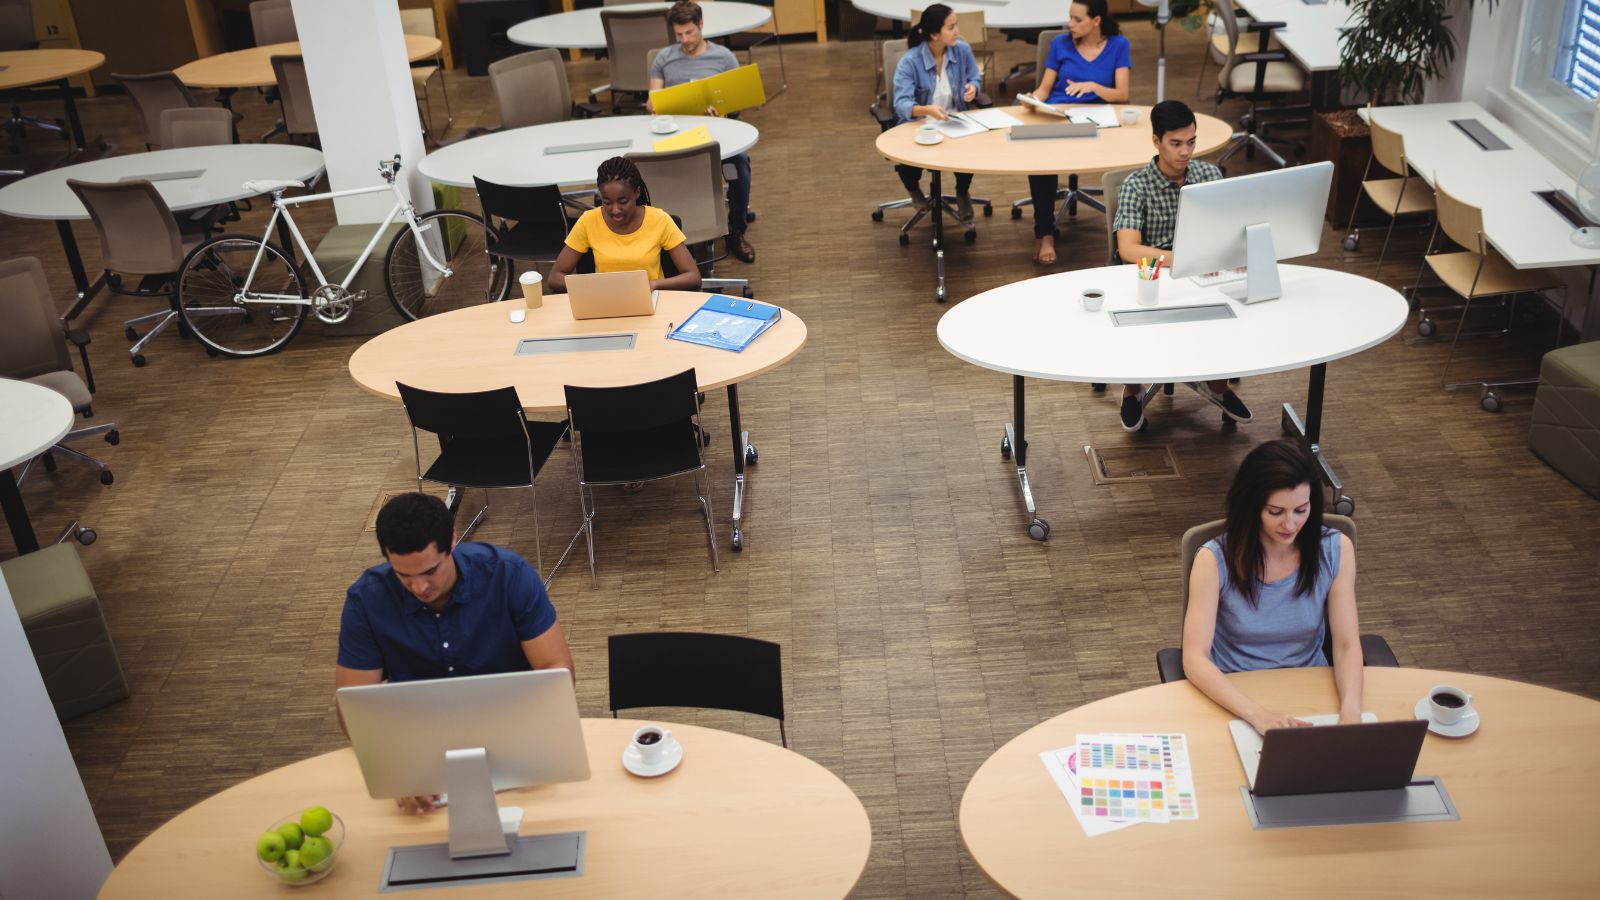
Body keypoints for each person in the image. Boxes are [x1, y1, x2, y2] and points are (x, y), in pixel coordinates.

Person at [335, 492, 575, 811]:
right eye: (404, 576)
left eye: (430, 571)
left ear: (452, 539)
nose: (419, 587)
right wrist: (399, 767)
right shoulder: (367, 601)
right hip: (418, 750)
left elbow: (556, 671)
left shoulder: (507, 575)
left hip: (515, 738)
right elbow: (353, 708)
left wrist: (528, 735)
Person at [1181, 440, 1365, 735]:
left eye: (1301, 510)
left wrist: (1351, 711)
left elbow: (1346, 645)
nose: (1290, 525)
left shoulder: (1335, 549)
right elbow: (1194, 658)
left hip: (1311, 689)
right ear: (1252, 507)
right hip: (1235, 696)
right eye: (1276, 512)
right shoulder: (1213, 560)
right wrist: (1257, 715)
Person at [1111, 99, 1250, 431]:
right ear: (1156, 141)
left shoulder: (1209, 175)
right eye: (1175, 143)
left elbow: (1229, 228)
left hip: (1204, 271)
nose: (1185, 151)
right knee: (1141, 308)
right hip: (1154, 275)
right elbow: (1127, 249)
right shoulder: (1136, 185)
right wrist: (1183, 259)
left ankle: (1216, 383)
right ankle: (1133, 388)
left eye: (1191, 142)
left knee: (1236, 307)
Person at [646, 0, 756, 264]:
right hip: (676, 132)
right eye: (679, 34)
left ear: (701, 25)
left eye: (689, 32)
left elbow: (738, 100)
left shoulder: (724, 57)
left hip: (716, 131)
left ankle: (736, 230)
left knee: (740, 165)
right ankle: (670, 234)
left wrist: (723, 109)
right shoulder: (664, 58)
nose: (684, 40)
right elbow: (652, 101)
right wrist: (656, 106)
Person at [1026, 0, 1130, 265]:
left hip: (1099, 121)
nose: (1070, 24)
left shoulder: (1118, 45)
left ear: (1096, 21)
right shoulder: (1060, 44)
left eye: (1077, 19)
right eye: (1070, 18)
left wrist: (1094, 86)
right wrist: (1032, 99)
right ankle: (1045, 233)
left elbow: (1122, 94)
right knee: (1040, 161)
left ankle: (1128, 238)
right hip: (1058, 116)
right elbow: (1044, 89)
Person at [548, 156, 702, 294]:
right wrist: (593, 286)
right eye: (607, 202)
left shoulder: (659, 220)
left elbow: (693, 276)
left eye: (623, 201)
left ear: (637, 193)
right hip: (604, 302)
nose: (615, 210)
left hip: (652, 300)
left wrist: (653, 284)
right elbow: (555, 278)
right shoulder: (588, 221)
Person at [892, 4, 983, 223]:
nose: (957, 32)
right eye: (951, 27)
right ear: (934, 35)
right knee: (908, 160)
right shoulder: (910, 62)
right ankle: (914, 190)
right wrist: (926, 110)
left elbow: (975, 77)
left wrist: (973, 88)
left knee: (968, 151)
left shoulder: (962, 50)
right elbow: (901, 104)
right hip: (919, 125)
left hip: (954, 121)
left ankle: (962, 192)